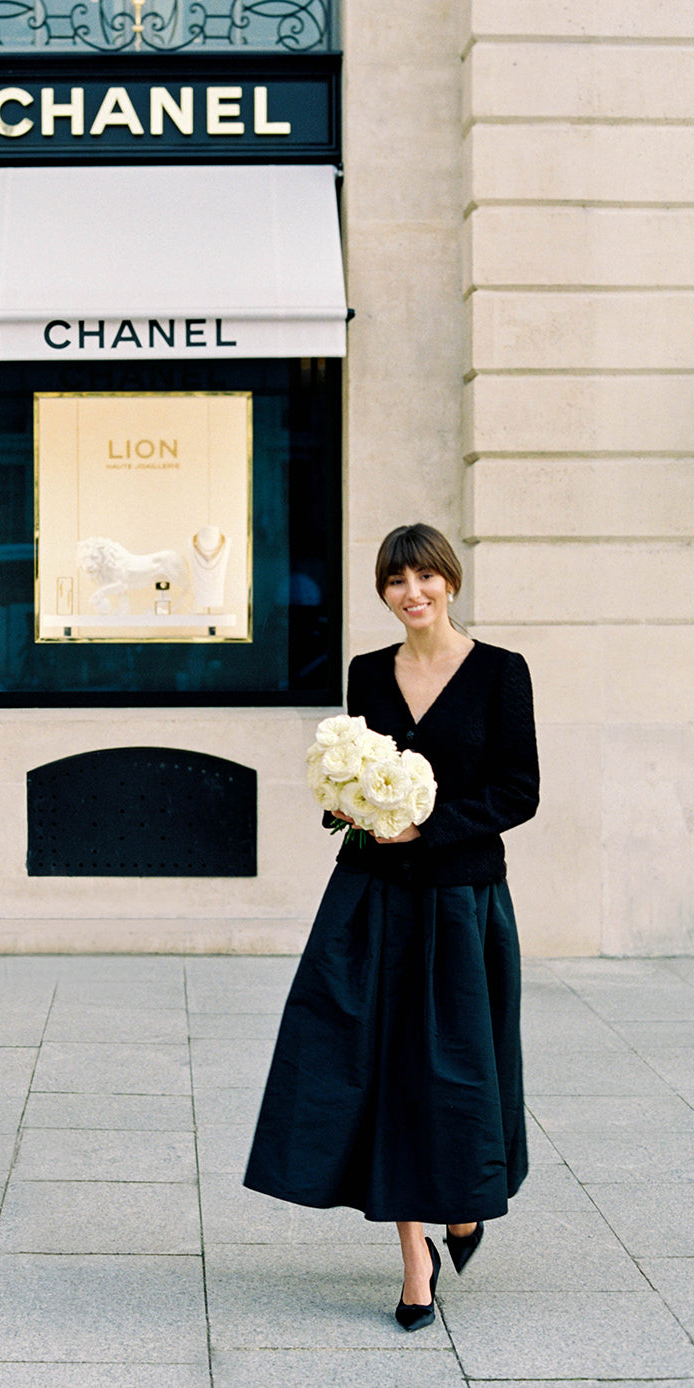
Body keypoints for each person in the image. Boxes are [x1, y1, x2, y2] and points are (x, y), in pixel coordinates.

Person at [244, 523, 540, 1330]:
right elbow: (352, 774)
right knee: (371, 1063)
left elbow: (519, 792)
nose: (412, 593)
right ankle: (416, 1261)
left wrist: (424, 827)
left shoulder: (500, 674)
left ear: (450, 582)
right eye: (395, 582)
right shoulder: (368, 673)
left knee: (454, 1069)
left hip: (460, 904)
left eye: (425, 578)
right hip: (371, 900)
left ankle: (465, 1205)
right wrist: (344, 804)